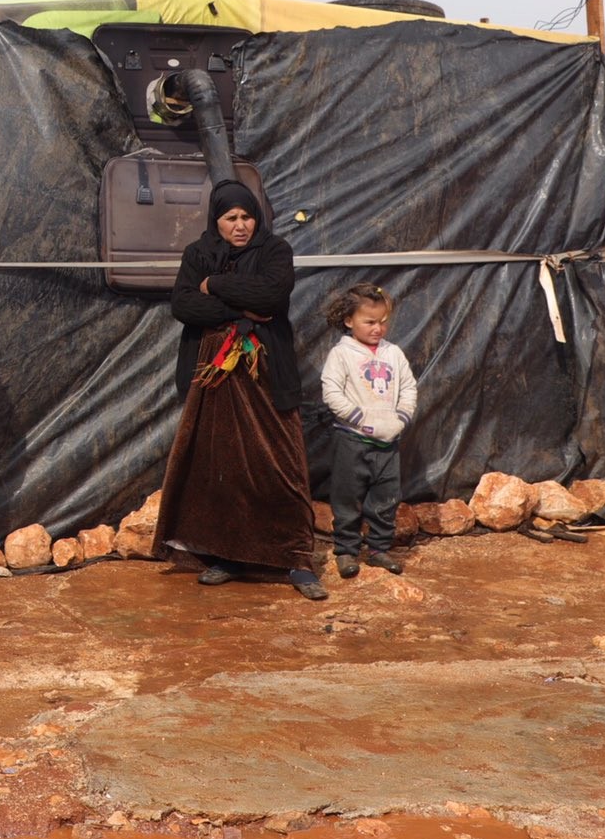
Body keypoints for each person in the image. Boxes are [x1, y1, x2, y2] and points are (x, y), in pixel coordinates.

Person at [156, 180, 325, 600]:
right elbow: (183, 305)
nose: (240, 225)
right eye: (231, 218)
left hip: (265, 375)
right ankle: (227, 555)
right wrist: (241, 307)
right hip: (215, 377)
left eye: (247, 216)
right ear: (217, 220)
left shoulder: (275, 251)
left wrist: (213, 286)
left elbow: (271, 295)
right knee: (223, 464)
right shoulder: (198, 254)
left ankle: (295, 558)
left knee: (280, 463)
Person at [319, 283, 418, 578]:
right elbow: (332, 392)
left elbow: (409, 387)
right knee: (347, 498)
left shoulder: (394, 353)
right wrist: (361, 419)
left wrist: (400, 418)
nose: (378, 328)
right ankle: (346, 551)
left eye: (383, 321)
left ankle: (378, 549)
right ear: (350, 321)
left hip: (388, 443)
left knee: (386, 498)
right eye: (370, 322)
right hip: (353, 439)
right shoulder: (342, 354)